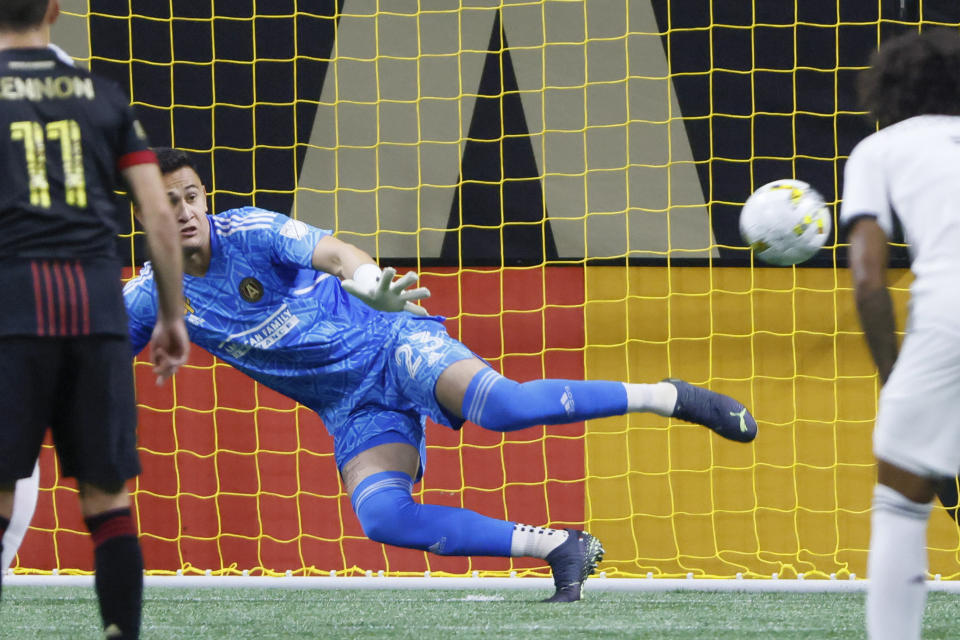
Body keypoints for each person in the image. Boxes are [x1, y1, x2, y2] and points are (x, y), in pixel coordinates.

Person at [121, 147, 757, 602]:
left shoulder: (253, 232)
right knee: (384, 519)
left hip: (390, 339)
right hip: (351, 406)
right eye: (167, 202)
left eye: (192, 195)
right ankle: (558, 546)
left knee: (503, 409)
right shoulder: (149, 295)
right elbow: (91, 348)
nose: (185, 210)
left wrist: (372, 287)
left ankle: (665, 395)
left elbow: (335, 253)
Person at [0, 2, 189, 639]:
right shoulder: (103, 95)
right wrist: (170, 315)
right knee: (109, 503)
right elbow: (158, 215)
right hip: (95, 310)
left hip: (12, 311)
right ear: (55, 10)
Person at [843, 28, 960, 640]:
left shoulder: (880, 150)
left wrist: (892, 374)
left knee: (900, 505)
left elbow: (868, 280)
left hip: (947, 312)